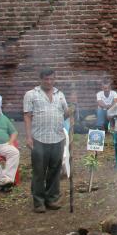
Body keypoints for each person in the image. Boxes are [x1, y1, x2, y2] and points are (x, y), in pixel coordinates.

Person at [23, 69, 70, 213]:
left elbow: (66, 113)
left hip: (57, 137)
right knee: (39, 171)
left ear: (54, 79)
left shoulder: (60, 94)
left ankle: (51, 199)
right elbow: (27, 116)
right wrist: (29, 137)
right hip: (39, 139)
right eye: (46, 79)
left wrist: (73, 108)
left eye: (51, 79)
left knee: (55, 170)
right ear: (41, 79)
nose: (49, 82)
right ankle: (38, 202)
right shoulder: (31, 94)